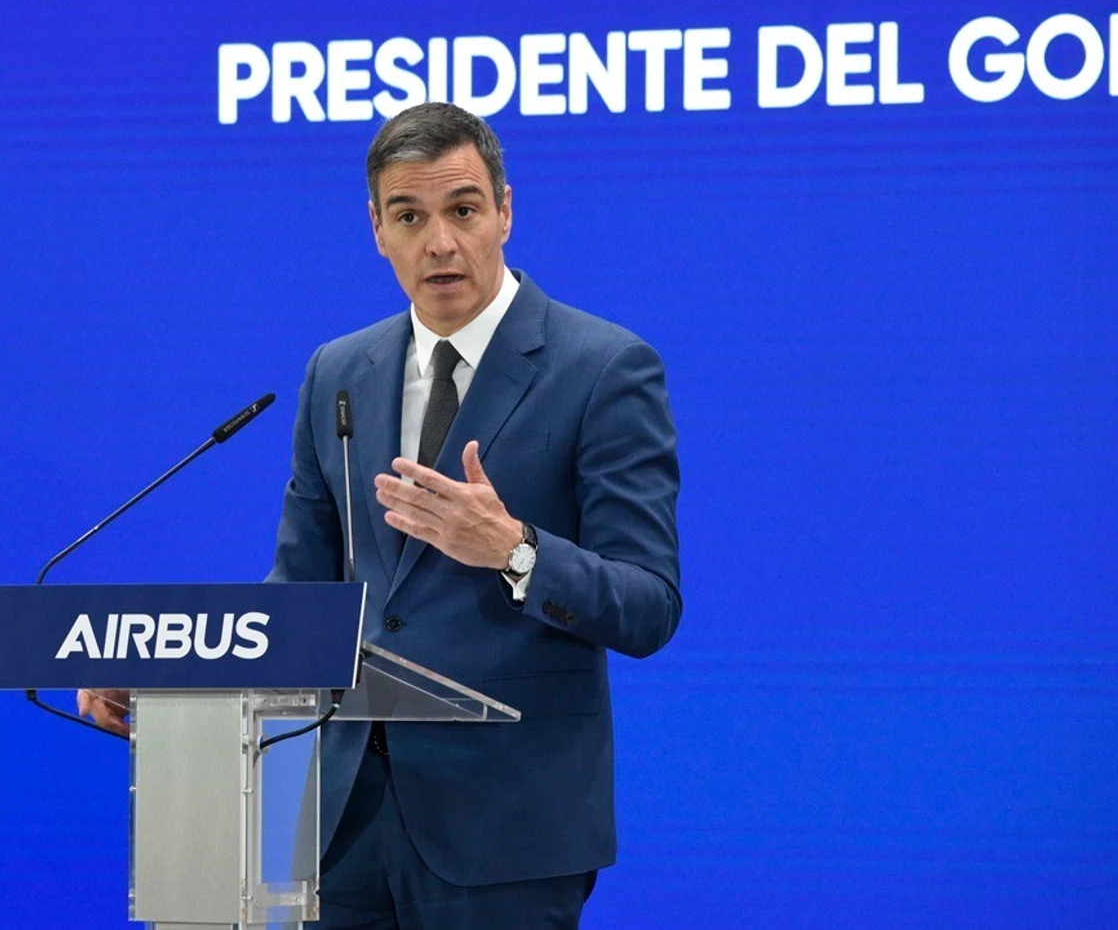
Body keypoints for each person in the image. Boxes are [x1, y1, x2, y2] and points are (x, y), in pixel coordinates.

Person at [83, 102, 681, 929]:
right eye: (410, 215)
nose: (439, 241)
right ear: (376, 228)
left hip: (506, 831)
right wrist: (169, 671)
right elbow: (297, 596)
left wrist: (515, 551)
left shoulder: (604, 368)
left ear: (505, 209)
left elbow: (649, 602)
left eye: (463, 209)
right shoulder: (339, 371)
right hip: (341, 827)